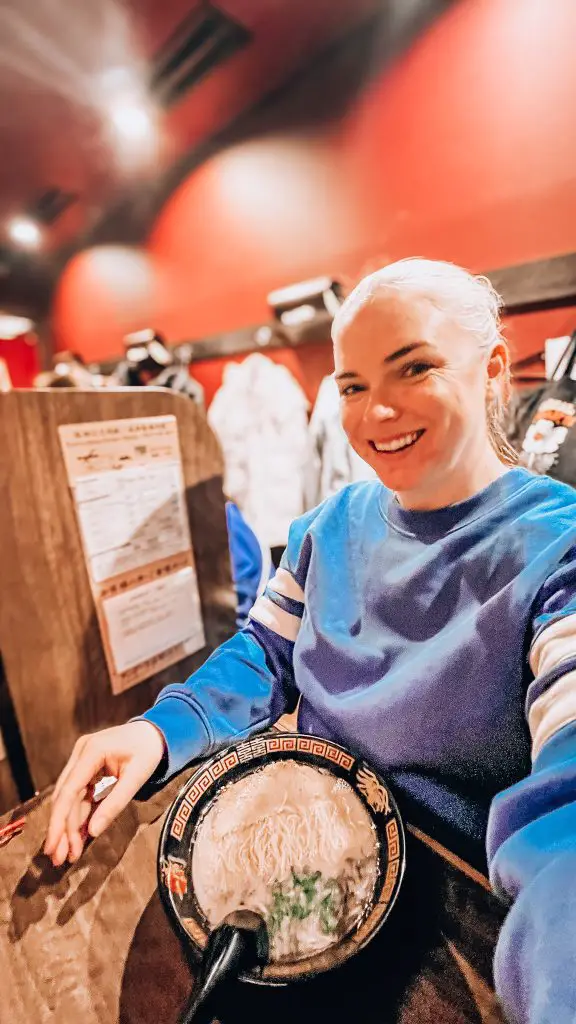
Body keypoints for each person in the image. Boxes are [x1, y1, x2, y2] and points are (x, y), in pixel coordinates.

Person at [46, 259, 576, 1024]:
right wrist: (156, 731)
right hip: (296, 849)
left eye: (414, 368)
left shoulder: (555, 549)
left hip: (446, 915)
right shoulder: (328, 527)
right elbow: (264, 653)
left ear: (493, 368)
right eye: (353, 386)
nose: (376, 414)